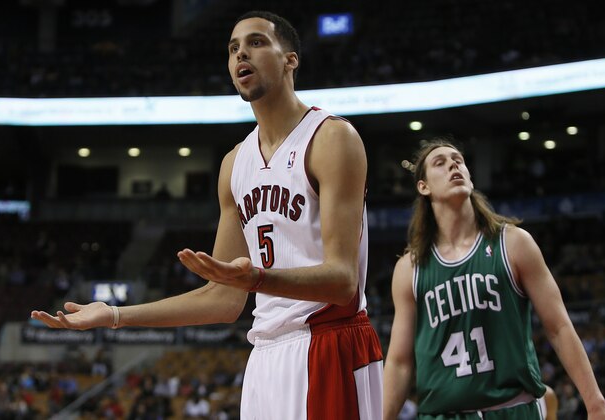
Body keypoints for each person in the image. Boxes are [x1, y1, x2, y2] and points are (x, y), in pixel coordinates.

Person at [31, 10, 383, 420]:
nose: (240, 55)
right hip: (265, 356)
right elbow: (223, 298)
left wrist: (258, 278)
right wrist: (114, 315)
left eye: (255, 42)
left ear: (291, 59)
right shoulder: (235, 164)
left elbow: (343, 282)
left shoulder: (332, 137)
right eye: (233, 48)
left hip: (330, 342)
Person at [382, 138, 605, 419]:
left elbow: (559, 327)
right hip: (443, 413)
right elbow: (399, 361)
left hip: (511, 409)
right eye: (440, 163)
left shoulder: (514, 244)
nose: (453, 164)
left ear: (469, 175)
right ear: (424, 187)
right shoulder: (410, 268)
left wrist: (596, 404)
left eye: (458, 160)